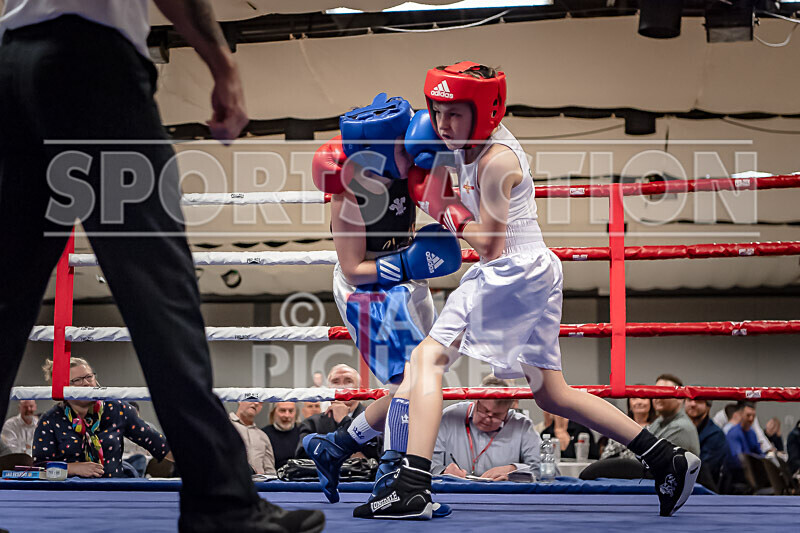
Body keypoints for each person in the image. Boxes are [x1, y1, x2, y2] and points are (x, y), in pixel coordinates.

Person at [0, 3, 324, 529]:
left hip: (11, 67)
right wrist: (222, 64)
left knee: (5, 297)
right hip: (94, 62)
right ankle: (222, 504)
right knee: (161, 293)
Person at [355, 62, 700, 520]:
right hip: (533, 271)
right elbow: (422, 159)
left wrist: (443, 208)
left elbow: (489, 242)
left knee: (426, 360)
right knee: (551, 394)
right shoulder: (461, 137)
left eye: (453, 114)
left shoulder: (499, 160)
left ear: (483, 113)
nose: (441, 125)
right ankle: (664, 457)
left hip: (511, 269)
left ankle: (412, 485)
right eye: (437, 112)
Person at [300, 94, 460, 514]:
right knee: (412, 381)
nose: (411, 151)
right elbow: (353, 268)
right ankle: (393, 482)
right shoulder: (349, 191)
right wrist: (407, 261)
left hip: (408, 283)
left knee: (424, 378)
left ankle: (336, 447)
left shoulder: (419, 158)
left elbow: (447, 201)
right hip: (368, 291)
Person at [32, 357, 171, 477]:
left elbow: (159, 445)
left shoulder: (118, 410)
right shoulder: (50, 420)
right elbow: (39, 468)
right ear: (63, 387)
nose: (86, 383)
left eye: (89, 377)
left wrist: (190, 464)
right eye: (77, 380)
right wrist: (72, 468)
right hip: (69, 492)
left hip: (114, 489)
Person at [432, 375, 540, 479]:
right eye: (484, 411)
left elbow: (544, 469)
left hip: (504, 495)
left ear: (508, 411)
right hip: (453, 493)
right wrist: (444, 471)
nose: (488, 419)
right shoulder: (449, 417)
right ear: (476, 401)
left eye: (497, 415)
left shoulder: (522, 425)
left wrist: (513, 470)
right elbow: (426, 464)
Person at [296, 365, 382, 462]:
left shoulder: (378, 419)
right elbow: (302, 459)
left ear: (360, 390)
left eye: (348, 381)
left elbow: (378, 454)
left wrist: (344, 420)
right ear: (328, 389)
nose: (342, 387)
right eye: (335, 382)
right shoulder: (312, 423)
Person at [684, 398, 729, 491]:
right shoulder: (678, 428)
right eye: (689, 400)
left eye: (698, 401)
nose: (693, 404)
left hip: (703, 490)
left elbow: (703, 470)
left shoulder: (716, 434)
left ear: (708, 406)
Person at [230, 401, 276, 476]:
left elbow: (270, 471)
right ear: (240, 400)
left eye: (260, 401)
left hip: (258, 486)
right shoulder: (224, 426)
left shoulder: (263, 436)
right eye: (252, 398)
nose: (256, 403)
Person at [725, 401, 763, 476]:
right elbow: (738, 461)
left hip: (752, 473)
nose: (751, 419)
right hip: (737, 476)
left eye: (753, 416)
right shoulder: (733, 433)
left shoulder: (752, 433)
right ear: (741, 415)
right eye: (748, 415)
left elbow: (759, 453)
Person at [263, 402, 301, 470]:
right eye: (282, 411)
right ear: (273, 412)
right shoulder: (264, 435)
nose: (287, 415)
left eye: (291, 411)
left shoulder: (303, 433)